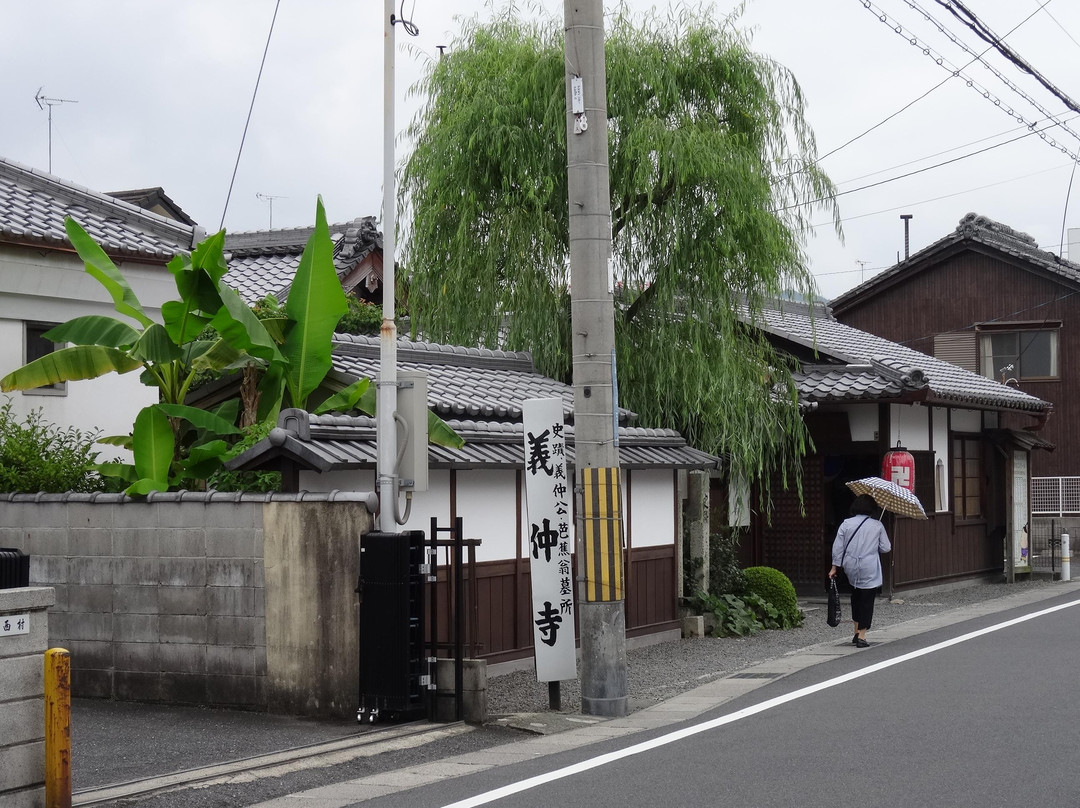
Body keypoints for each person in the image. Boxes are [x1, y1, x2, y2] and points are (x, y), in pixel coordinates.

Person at [828, 493, 892, 648]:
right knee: (867, 600)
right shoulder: (877, 526)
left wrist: (834, 566)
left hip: (850, 565)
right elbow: (886, 547)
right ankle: (862, 635)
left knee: (855, 597)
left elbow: (838, 547)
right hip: (869, 565)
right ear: (872, 509)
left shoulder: (846, 524)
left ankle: (856, 631)